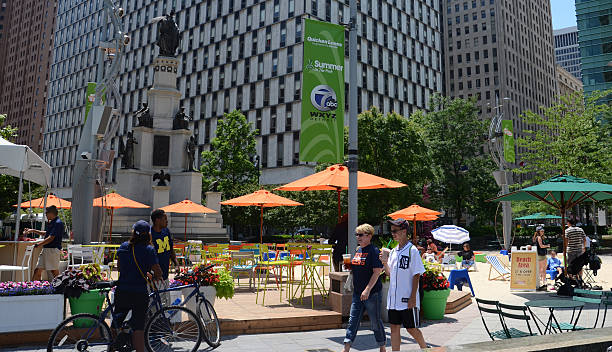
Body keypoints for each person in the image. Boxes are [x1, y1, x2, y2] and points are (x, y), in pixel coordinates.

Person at [115, 220, 162, 352]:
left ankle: (112, 346)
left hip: (122, 290)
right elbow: (157, 271)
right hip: (139, 292)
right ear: (148, 234)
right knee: (138, 326)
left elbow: (119, 267)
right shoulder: (149, 249)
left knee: (117, 320)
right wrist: (153, 275)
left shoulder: (124, 246)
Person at [381, 218, 427, 351]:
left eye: (395, 231)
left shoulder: (412, 250)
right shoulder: (394, 252)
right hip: (394, 298)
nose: (393, 234)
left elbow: (416, 274)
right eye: (391, 231)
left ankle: (425, 349)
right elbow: (390, 273)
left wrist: (413, 296)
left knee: (411, 328)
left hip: (407, 298)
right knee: (394, 327)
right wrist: (385, 263)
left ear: (404, 231)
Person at [342, 223, 386, 352]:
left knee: (375, 322)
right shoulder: (358, 250)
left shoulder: (374, 251)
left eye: (361, 235)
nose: (358, 237)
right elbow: (358, 266)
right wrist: (350, 266)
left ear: (369, 236)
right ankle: (346, 347)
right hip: (357, 292)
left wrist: (367, 289)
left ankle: (382, 346)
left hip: (372, 293)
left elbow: (377, 272)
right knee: (352, 320)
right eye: (357, 234)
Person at [24, 206, 65, 280]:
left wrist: (38, 244)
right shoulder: (53, 222)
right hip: (46, 249)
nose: (45, 215)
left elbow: (51, 238)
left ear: (51, 213)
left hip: (52, 250)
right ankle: (33, 288)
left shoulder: (58, 223)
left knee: (54, 271)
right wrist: (33, 230)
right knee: (37, 270)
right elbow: (46, 233)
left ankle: (61, 287)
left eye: (46, 213)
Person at [150, 209, 179, 304]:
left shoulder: (166, 231)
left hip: (165, 275)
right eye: (165, 218)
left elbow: (171, 249)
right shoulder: (150, 234)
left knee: (166, 303)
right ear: (157, 220)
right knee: (155, 305)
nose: (167, 221)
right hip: (155, 277)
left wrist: (176, 263)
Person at [532, 226, 550, 290]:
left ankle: (542, 281)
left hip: (542, 254)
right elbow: (541, 246)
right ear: (538, 232)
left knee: (542, 269)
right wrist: (547, 246)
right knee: (542, 269)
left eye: (543, 231)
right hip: (541, 255)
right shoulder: (539, 237)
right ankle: (542, 281)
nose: (543, 232)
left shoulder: (539, 237)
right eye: (541, 231)